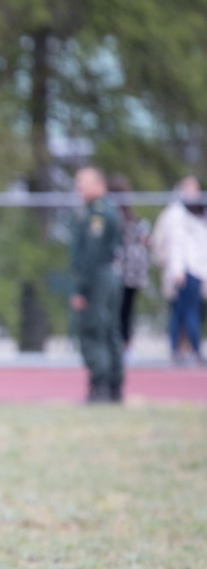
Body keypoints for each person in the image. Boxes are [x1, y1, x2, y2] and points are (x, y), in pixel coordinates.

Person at [70, 166, 124, 402]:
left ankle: (100, 386)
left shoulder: (97, 214)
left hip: (98, 278)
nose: (78, 187)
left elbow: (92, 254)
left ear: (100, 185)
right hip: (109, 275)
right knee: (110, 330)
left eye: (84, 182)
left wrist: (82, 289)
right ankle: (114, 387)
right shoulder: (104, 210)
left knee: (94, 330)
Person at [150, 176, 207, 365]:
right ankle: (192, 350)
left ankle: (180, 350)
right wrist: (177, 270)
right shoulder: (176, 213)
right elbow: (175, 245)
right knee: (185, 312)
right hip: (183, 270)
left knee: (185, 312)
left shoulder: (199, 212)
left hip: (197, 270)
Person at [108, 175, 151, 351]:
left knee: (122, 311)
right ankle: (122, 343)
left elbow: (145, 239)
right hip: (124, 271)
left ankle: (122, 344)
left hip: (128, 272)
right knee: (123, 311)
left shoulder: (131, 219)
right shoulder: (117, 217)